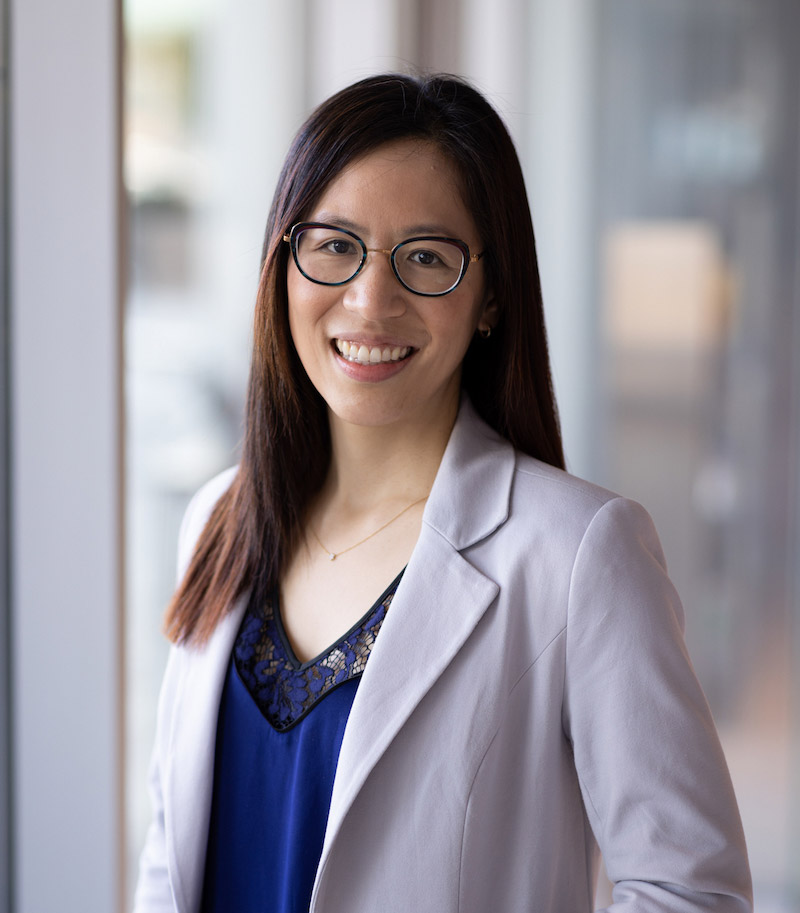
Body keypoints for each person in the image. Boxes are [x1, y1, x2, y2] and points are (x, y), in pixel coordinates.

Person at [133, 73, 753, 913]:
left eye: (426, 257)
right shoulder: (219, 518)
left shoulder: (578, 554)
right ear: (283, 263)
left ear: (491, 296)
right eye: (334, 245)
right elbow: (170, 858)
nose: (370, 300)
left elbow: (691, 889)